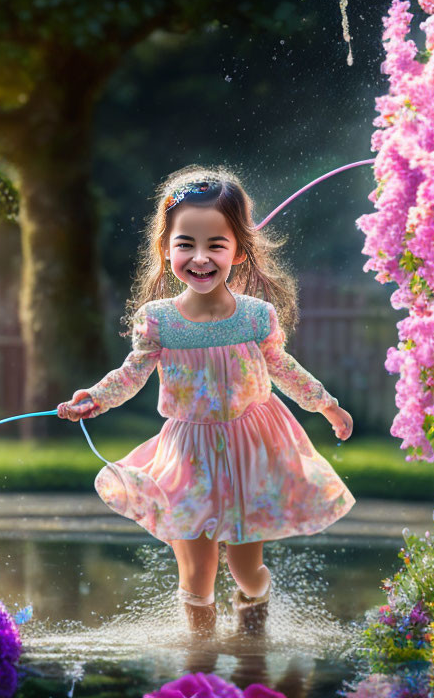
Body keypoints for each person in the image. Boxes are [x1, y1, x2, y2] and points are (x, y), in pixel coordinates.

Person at [57, 164, 355, 638]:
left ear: (238, 251)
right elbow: (132, 374)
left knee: (244, 568)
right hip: (189, 453)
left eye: (215, 244)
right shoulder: (159, 321)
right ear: (166, 248)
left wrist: (325, 404)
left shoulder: (257, 317)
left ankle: (251, 636)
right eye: (185, 244)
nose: (200, 258)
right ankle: (201, 657)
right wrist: (93, 400)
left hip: (251, 450)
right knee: (196, 572)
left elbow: (282, 368)